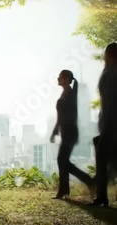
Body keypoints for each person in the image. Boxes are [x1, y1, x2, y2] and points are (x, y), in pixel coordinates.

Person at [49, 70, 94, 199]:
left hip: (70, 132)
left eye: (61, 76)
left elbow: (66, 115)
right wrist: (55, 131)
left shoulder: (70, 94)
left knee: (62, 160)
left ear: (67, 79)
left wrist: (58, 130)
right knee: (63, 160)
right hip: (66, 132)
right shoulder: (65, 94)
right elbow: (60, 117)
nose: (58, 78)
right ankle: (65, 190)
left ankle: (84, 182)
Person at [92, 42, 117, 206]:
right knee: (110, 156)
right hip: (109, 121)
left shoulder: (112, 73)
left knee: (103, 155)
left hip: (111, 122)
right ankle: (102, 195)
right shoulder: (109, 71)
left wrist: (107, 124)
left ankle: (102, 196)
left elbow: (110, 101)